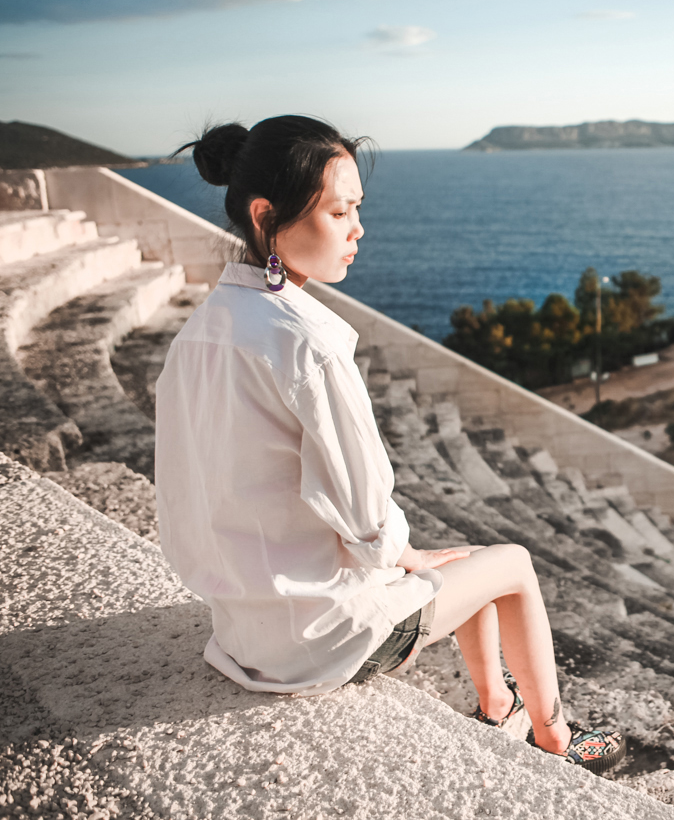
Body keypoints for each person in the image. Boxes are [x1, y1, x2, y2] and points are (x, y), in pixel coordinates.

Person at [154, 115, 624, 774]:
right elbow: (369, 516)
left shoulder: (200, 333)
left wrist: (401, 555)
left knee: (455, 561)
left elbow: (179, 496)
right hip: (319, 640)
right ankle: (555, 736)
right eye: (340, 211)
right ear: (266, 215)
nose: (358, 229)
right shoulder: (309, 343)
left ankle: (497, 707)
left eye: (358, 209)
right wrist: (397, 554)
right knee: (511, 563)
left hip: (241, 629)